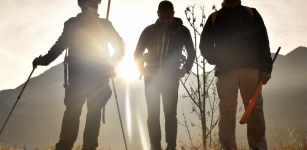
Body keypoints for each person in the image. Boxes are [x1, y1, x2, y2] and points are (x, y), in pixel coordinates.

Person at [32, 0, 125, 149]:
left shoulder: (102, 25)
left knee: (89, 116)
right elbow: (59, 46)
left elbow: (120, 47)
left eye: (96, 2)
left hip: (96, 79)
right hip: (82, 79)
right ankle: (66, 147)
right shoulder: (72, 24)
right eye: (92, 2)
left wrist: (111, 64)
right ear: (82, 4)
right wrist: (44, 60)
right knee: (74, 115)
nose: (95, 5)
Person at [199, 0, 272, 149]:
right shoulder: (215, 17)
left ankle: (258, 147)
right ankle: (227, 147)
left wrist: (266, 68)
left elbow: (263, 42)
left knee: (255, 110)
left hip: (252, 69)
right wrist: (217, 58)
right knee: (227, 111)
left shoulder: (252, 13)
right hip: (226, 72)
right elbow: (204, 45)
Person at [134, 1, 196, 150]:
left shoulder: (182, 31)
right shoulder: (149, 31)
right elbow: (137, 53)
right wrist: (141, 69)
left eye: (169, 18)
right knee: (153, 115)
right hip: (151, 80)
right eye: (163, 18)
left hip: (171, 79)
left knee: (170, 115)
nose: (166, 21)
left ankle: (171, 147)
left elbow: (192, 52)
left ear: (173, 14)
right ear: (158, 14)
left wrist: (185, 69)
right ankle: (155, 147)